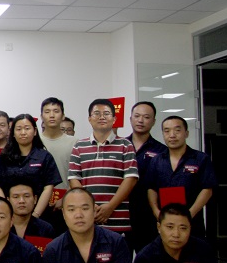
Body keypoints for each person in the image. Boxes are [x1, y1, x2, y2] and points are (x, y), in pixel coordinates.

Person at [68, 99, 138, 235]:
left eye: (106, 113)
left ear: (114, 119)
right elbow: (73, 179)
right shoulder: (79, 146)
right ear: (89, 119)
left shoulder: (125, 145)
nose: (101, 117)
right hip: (88, 219)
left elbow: (131, 180)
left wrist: (110, 207)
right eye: (97, 113)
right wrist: (91, 206)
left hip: (118, 221)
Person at [146, 116, 216, 239]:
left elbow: (207, 189)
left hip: (192, 222)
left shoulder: (200, 159)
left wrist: (189, 215)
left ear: (186, 133)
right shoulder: (156, 161)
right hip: (165, 223)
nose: (172, 135)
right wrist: (157, 212)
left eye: (177, 130)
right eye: (167, 131)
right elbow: (151, 188)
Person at [0, 113, 62, 223]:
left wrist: (35, 215)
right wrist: (6, 212)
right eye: (19, 129)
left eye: (27, 128)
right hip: (9, 219)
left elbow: (48, 188)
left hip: (40, 215)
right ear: (13, 133)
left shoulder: (44, 157)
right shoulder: (4, 157)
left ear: (35, 131)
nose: (23, 132)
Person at [126, 101, 167, 253]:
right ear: (130, 119)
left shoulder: (162, 151)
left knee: (147, 259)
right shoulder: (119, 147)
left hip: (148, 215)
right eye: (137, 116)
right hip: (122, 214)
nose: (141, 120)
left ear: (154, 121)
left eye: (146, 117)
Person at [39, 97, 77, 234]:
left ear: (63, 115)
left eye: (56, 111)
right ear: (41, 116)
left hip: (68, 202)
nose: (51, 115)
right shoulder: (35, 141)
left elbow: (79, 175)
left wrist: (65, 198)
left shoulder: (75, 142)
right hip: (38, 204)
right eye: (47, 111)